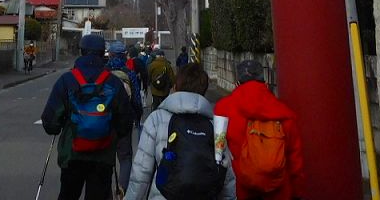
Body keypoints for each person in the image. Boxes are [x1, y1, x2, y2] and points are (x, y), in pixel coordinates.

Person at [41, 33, 134, 200]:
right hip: (103, 155)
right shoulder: (113, 83)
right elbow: (126, 122)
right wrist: (110, 131)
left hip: (72, 154)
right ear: (102, 53)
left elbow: (50, 122)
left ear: (82, 52)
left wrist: (61, 125)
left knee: (68, 194)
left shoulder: (67, 81)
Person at [125, 62, 236, 200]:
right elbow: (227, 178)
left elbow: (141, 171)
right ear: (203, 90)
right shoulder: (214, 125)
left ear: (176, 87)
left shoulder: (157, 119)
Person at [213, 60, 305, 200]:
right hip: (279, 191)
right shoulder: (284, 112)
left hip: (241, 190)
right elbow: (295, 161)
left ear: (237, 84)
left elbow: (218, 154)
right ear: (265, 83)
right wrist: (298, 193)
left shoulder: (222, 108)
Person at [105, 40, 141, 197]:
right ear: (124, 56)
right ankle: (122, 188)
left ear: (110, 55)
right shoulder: (130, 74)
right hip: (124, 121)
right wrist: (137, 117)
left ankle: (105, 189)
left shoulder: (102, 73)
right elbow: (136, 101)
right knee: (125, 158)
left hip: (104, 121)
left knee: (105, 157)